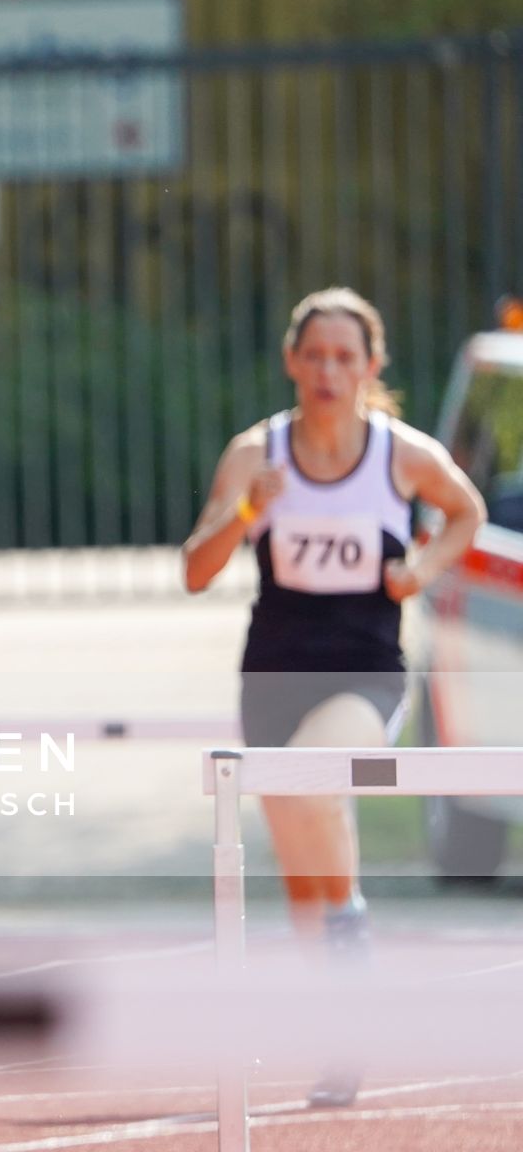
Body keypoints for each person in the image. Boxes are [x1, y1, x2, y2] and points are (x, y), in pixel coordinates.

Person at [182, 286, 486, 1106]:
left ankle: (358, 978)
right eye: (313, 355)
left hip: (364, 667)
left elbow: (467, 511)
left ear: (371, 365)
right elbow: (195, 568)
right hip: (274, 672)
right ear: (291, 361)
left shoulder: (400, 455)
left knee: (319, 780)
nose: (327, 370)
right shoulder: (258, 455)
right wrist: (249, 509)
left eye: (344, 356)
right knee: (301, 867)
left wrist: (419, 569)